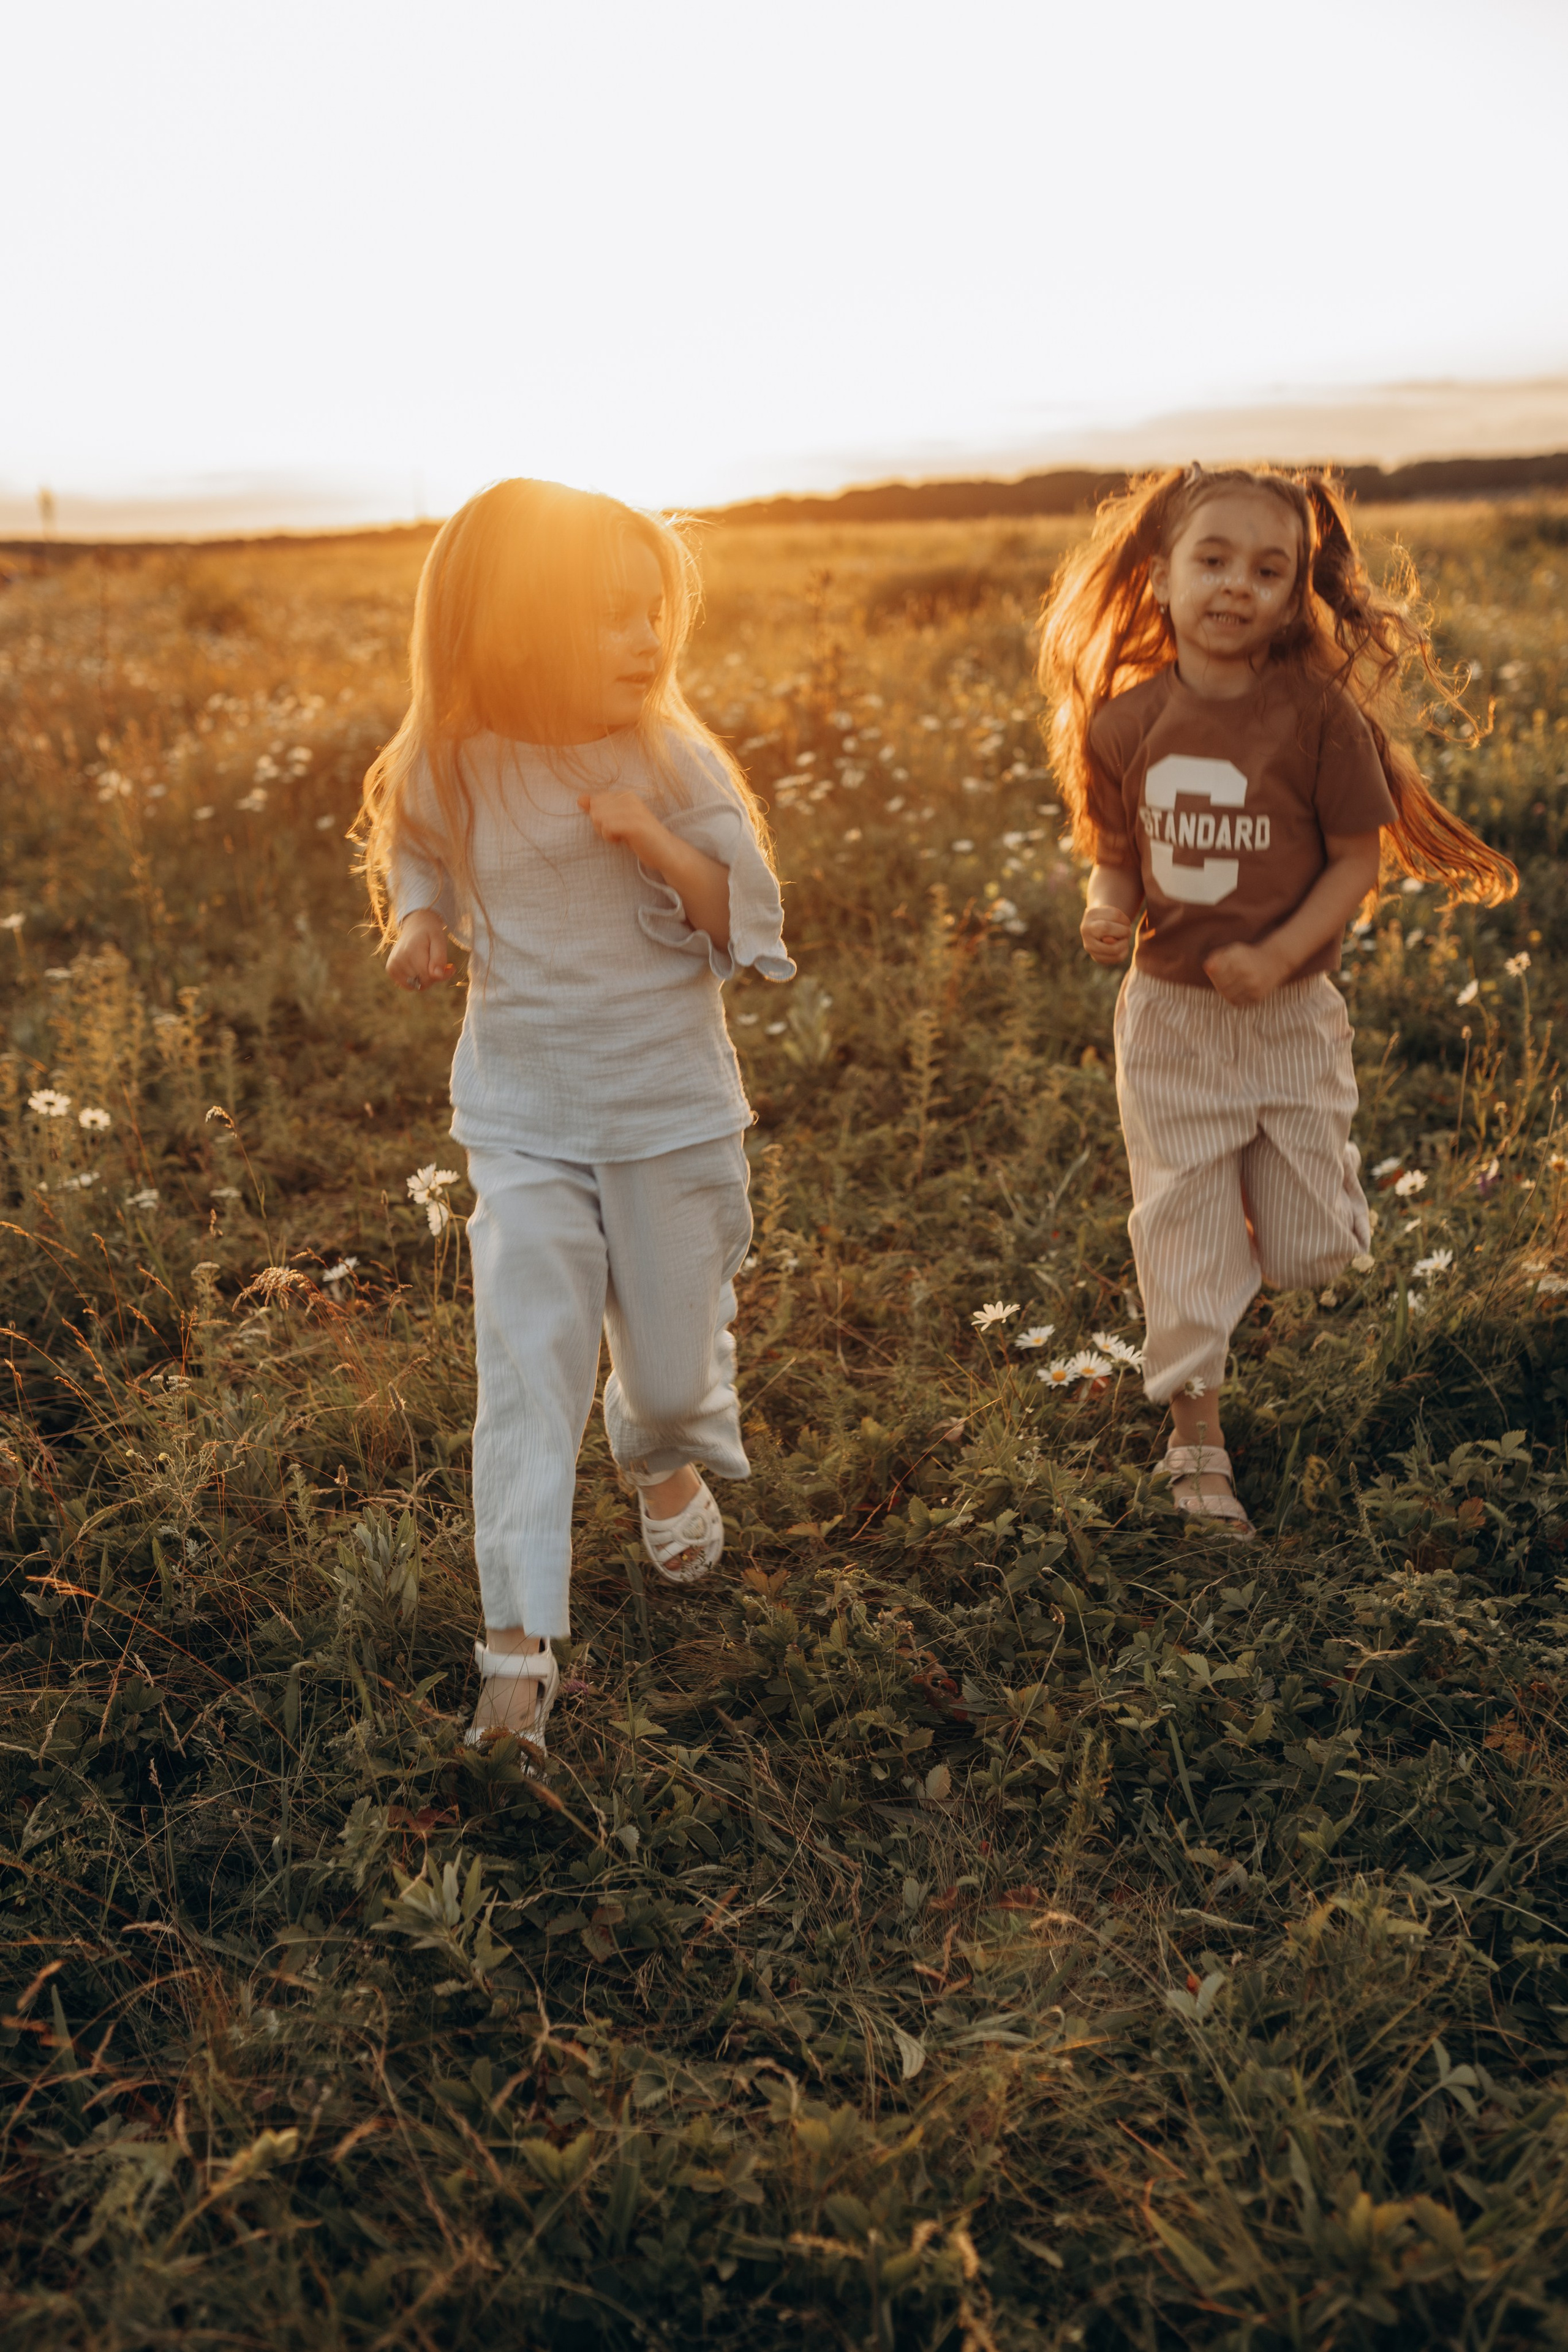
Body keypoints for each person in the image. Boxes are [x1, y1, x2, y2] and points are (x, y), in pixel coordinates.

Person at [356, 478, 793, 1753]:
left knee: (668, 1370)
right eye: (609, 616)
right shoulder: (455, 757)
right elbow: (420, 840)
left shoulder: (665, 755)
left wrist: (651, 840)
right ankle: (515, 1651)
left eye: (653, 613)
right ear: (513, 625)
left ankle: (657, 1452)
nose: (646, 640)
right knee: (526, 1367)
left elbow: (742, 918)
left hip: (668, 1110)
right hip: (525, 1112)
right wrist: (420, 918)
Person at [1038, 464, 1515, 1537]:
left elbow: (1356, 864)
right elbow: (1117, 860)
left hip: (1292, 1016)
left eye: (1269, 570)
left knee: (1313, 1250)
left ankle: (1262, 1209)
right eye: (1212, 560)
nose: (1236, 586)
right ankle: (1195, 1442)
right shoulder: (1124, 724)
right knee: (1180, 1232)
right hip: (1171, 1023)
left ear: (1296, 593)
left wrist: (1281, 954)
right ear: (1160, 578)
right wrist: (1107, 911)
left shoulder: (1318, 719)